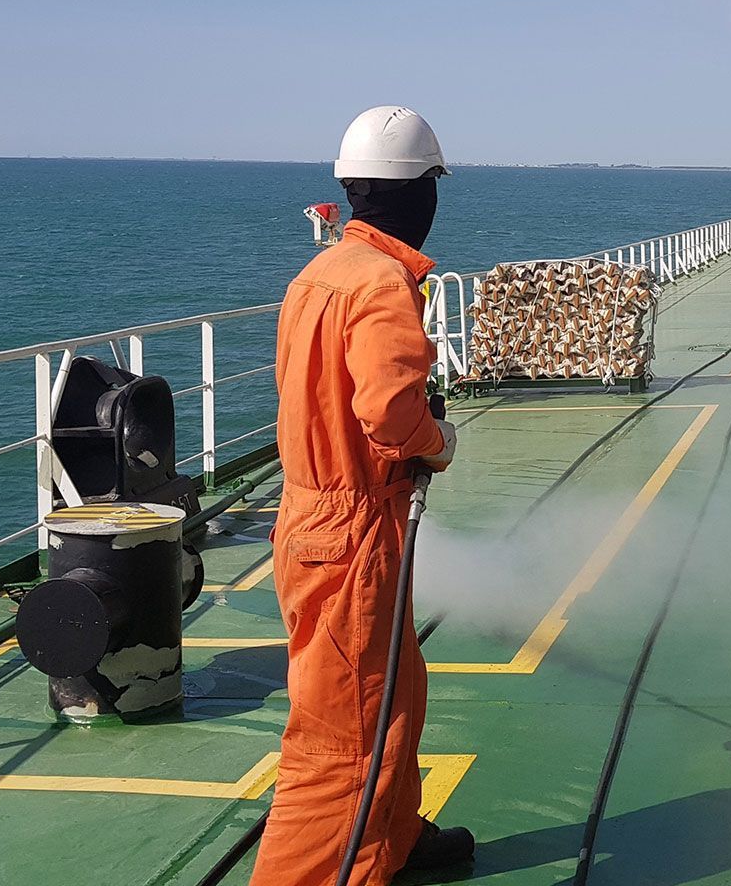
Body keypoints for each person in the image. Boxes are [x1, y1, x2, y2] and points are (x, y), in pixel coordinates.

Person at [250, 106, 476, 886]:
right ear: (421, 193)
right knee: (343, 734)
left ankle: (392, 840)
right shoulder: (383, 282)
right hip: (353, 528)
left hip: (312, 515)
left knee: (392, 691)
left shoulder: (319, 274)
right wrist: (435, 444)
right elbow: (385, 411)